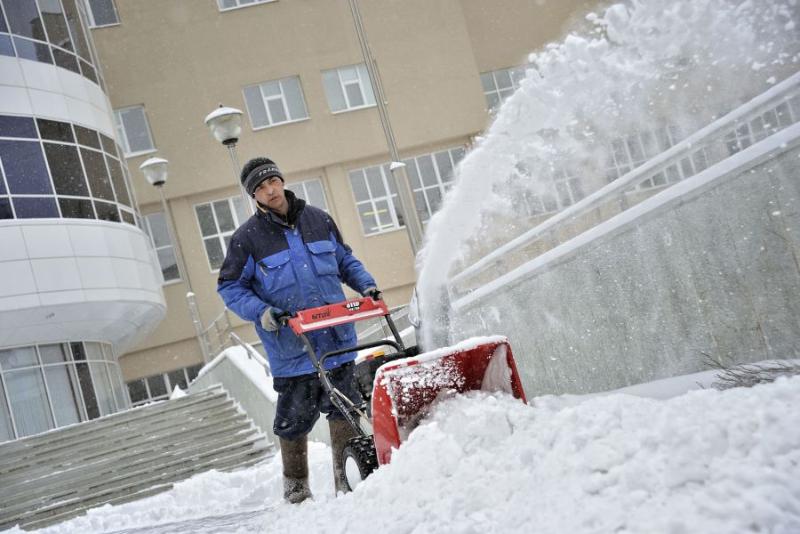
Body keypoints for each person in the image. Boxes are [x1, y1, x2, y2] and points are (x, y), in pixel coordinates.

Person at [217, 157, 382, 503]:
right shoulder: (248, 239)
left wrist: (366, 285)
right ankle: (295, 488)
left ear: (281, 179)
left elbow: (344, 262)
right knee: (294, 422)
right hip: (292, 351)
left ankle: (345, 478)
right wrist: (262, 312)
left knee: (345, 410)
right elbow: (230, 288)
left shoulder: (318, 220)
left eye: (273, 181)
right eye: (261, 188)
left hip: (336, 342)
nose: (270, 190)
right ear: (254, 196)